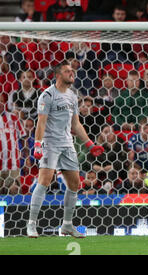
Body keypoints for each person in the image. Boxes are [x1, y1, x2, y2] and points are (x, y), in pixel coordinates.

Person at [27, 60, 104, 238]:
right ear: (58, 75)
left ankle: (67, 225)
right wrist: (38, 144)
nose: (72, 73)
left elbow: (75, 124)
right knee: (44, 181)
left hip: (67, 144)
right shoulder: (47, 95)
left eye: (72, 71)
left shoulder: (72, 96)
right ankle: (31, 224)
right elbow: (41, 121)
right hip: (51, 143)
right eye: (68, 71)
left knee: (75, 184)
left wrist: (89, 144)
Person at [0, 93, 25, 195]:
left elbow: (23, 137)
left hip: (13, 165)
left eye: (1, 101)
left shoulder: (13, 118)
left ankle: (14, 211)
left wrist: (26, 157)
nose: (0, 104)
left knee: (15, 190)